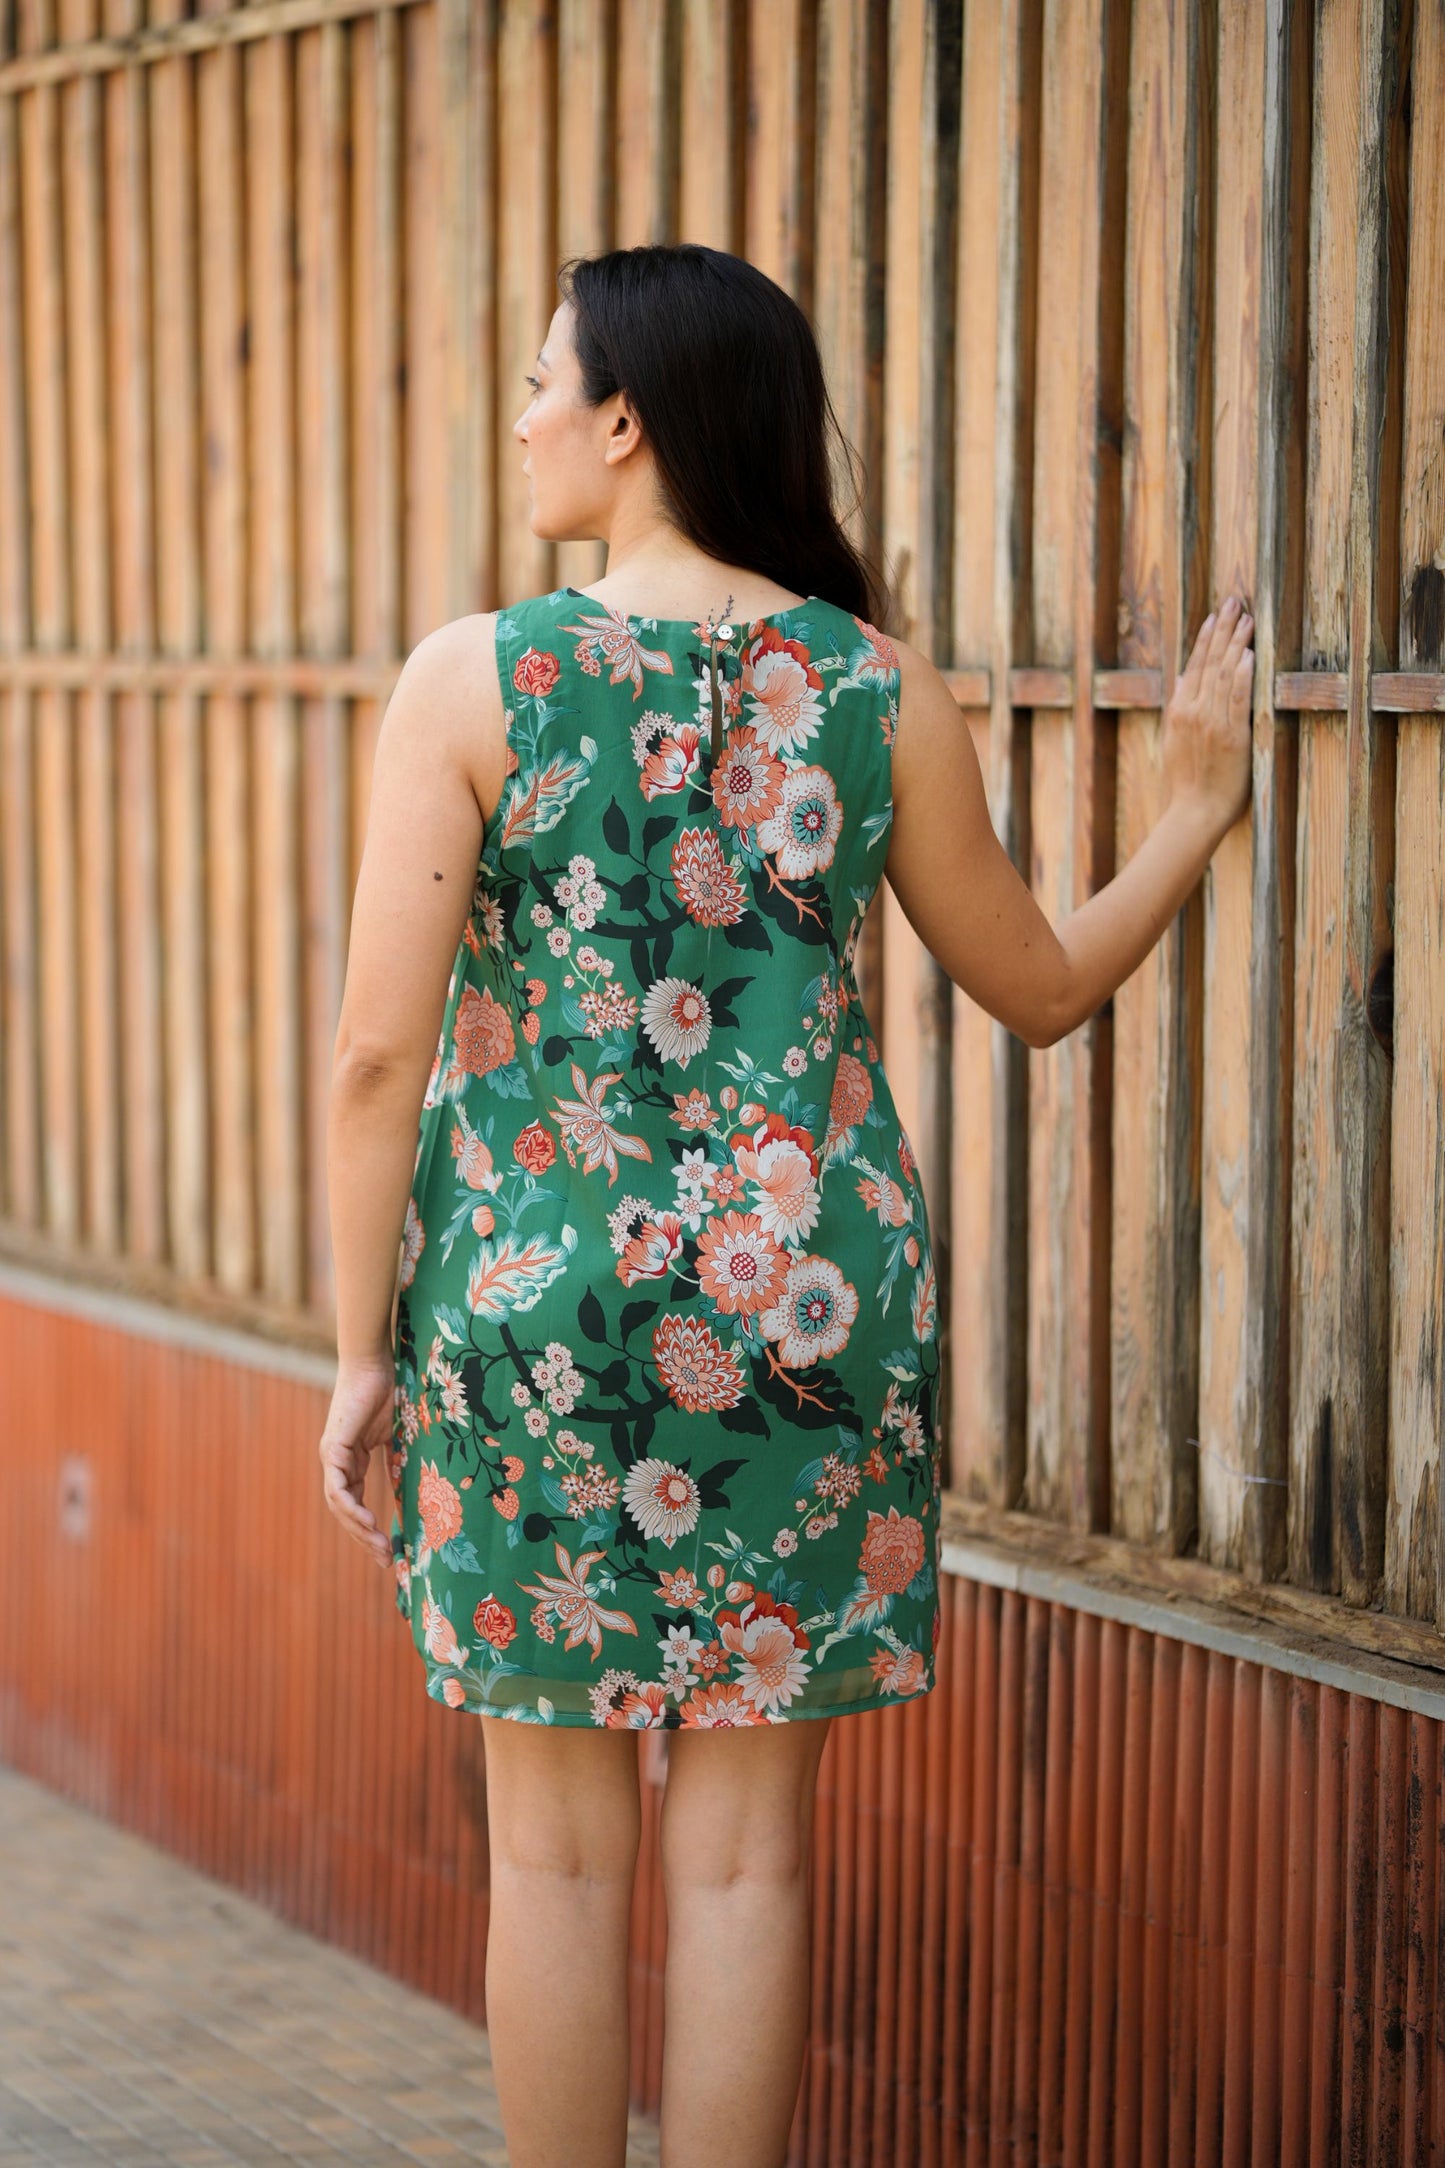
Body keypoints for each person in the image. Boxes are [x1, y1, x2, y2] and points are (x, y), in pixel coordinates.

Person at [318, 243, 1255, 2168]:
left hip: (538, 1319)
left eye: (536, 381)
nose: (518, 420)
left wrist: (357, 1355)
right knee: (746, 1867)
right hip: (804, 1319)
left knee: (558, 1866)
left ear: (626, 418)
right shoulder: (864, 687)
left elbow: (368, 1062)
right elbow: (1043, 991)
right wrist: (1184, 809)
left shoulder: (473, 681)